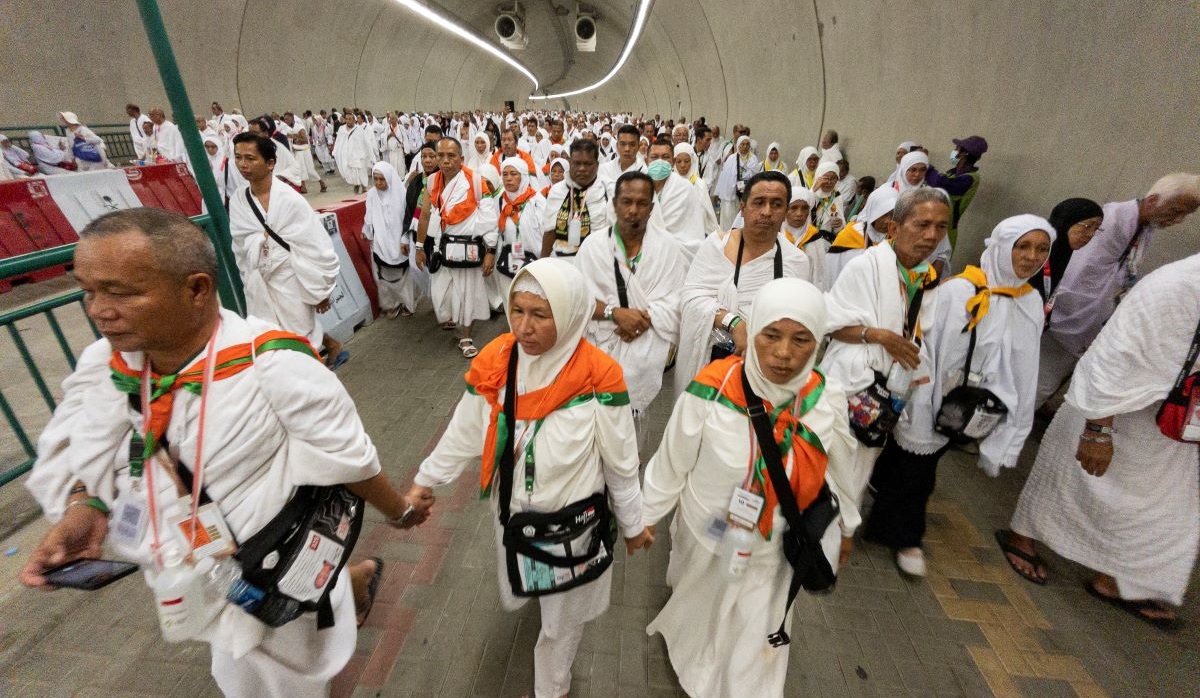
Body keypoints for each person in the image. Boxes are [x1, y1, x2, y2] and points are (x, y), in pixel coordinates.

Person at [20, 207, 425, 696]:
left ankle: (345, 589)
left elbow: (352, 463)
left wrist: (400, 513)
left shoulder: (273, 363)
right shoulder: (106, 362)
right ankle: (353, 585)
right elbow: (91, 446)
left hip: (270, 557)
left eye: (122, 292)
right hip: (191, 563)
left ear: (196, 289)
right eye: (89, 290)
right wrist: (86, 505)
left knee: (271, 675)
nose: (99, 309)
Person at [405, 259, 653, 698]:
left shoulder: (600, 376)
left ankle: (551, 689)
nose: (524, 327)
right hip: (515, 521)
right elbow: (465, 430)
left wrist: (633, 525)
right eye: (517, 310)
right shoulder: (498, 361)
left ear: (572, 312)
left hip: (576, 530)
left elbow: (621, 463)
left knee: (561, 627)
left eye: (540, 314)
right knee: (531, 591)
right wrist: (427, 479)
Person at [642, 277, 859, 698]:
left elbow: (841, 468)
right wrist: (646, 516)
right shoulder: (714, 387)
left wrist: (846, 525)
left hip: (774, 544)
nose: (783, 353)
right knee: (700, 606)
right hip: (707, 529)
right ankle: (694, 660)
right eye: (771, 335)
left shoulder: (826, 397)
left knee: (754, 637)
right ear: (752, 330)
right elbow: (673, 460)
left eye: (801, 340)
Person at [997, 252, 1200, 629]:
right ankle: (1023, 538)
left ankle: (1122, 580)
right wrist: (1098, 430)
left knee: (1172, 510)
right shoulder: (1176, 286)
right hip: (1110, 407)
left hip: (1173, 425)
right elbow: (1114, 355)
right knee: (1067, 480)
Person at [865, 215, 1054, 576]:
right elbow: (927, 346)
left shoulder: (1029, 302)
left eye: (1041, 249)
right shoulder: (958, 291)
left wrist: (1011, 418)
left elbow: (1025, 364)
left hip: (971, 405)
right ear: (1001, 247)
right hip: (930, 395)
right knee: (919, 469)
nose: (1031, 257)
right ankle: (903, 536)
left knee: (910, 463)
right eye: (1023, 246)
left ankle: (880, 487)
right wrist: (918, 397)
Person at [820, 187, 949, 562]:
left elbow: (920, 335)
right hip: (850, 382)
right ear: (894, 226)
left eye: (940, 227)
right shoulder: (866, 265)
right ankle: (817, 530)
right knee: (834, 459)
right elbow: (829, 323)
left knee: (861, 465)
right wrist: (878, 336)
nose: (930, 236)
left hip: (888, 391)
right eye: (922, 224)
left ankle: (839, 530)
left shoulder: (926, 278)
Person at [1036, 174, 1200, 410]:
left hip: (1085, 326)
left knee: (1045, 383)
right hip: (1064, 322)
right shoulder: (1112, 221)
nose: (1178, 220)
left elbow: (1119, 278)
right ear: (1153, 201)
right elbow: (1077, 278)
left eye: (1185, 215)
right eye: (1175, 211)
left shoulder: (1143, 227)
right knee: (1039, 381)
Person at [674, 171, 811, 397]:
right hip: (710, 365)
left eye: (776, 204)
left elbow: (797, 320)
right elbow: (690, 298)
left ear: (785, 211)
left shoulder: (796, 261)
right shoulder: (716, 246)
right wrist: (734, 323)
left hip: (765, 371)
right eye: (759, 202)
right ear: (743, 206)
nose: (767, 212)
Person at [578, 172, 686, 450]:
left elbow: (678, 302)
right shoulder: (593, 247)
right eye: (626, 201)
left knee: (631, 438)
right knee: (592, 435)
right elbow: (576, 299)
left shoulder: (668, 249)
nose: (633, 210)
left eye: (642, 203)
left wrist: (641, 319)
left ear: (652, 207)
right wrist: (615, 313)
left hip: (643, 356)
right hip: (598, 354)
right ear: (614, 204)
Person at [227, 133, 344, 367]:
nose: (243, 164)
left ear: (270, 163)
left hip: (290, 278)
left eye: (250, 158)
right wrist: (258, 242)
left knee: (301, 333)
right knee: (270, 337)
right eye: (238, 157)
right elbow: (240, 246)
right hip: (260, 281)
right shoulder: (239, 200)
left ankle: (316, 379)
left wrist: (321, 290)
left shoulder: (290, 200)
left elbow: (315, 246)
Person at [414, 137, 499, 358]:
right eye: (440, 155)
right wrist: (419, 246)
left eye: (451, 156)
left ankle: (466, 336)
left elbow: (490, 220)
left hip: (468, 248)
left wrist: (490, 251)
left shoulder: (477, 181)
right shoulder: (432, 182)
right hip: (443, 247)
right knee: (440, 293)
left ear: (461, 159)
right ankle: (453, 317)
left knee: (467, 293)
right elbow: (424, 215)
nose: (445, 160)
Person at [643, 138, 718, 261]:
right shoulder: (638, 186)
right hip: (644, 253)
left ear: (672, 162)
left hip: (678, 254)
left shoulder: (685, 189)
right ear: (646, 160)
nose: (660, 162)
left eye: (665, 157)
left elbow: (693, 230)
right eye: (655, 157)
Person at [365, 161, 422, 318]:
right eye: (375, 179)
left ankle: (408, 303)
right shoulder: (371, 195)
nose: (378, 183)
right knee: (384, 277)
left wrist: (405, 239)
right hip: (381, 242)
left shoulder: (402, 195)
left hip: (399, 240)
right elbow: (369, 216)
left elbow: (407, 219)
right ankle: (390, 304)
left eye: (382, 179)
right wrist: (367, 231)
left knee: (404, 276)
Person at [540, 139, 610, 260]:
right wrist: (541, 266)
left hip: (596, 263)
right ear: (570, 162)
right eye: (577, 163)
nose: (582, 168)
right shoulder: (557, 191)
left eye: (588, 164)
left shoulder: (608, 190)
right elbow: (549, 233)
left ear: (597, 165)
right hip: (561, 265)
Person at [1034, 198, 1104, 306]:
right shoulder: (1034, 248)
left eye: (1096, 229)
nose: (1091, 234)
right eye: (1088, 226)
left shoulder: (1063, 252)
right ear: (1067, 221)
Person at [825, 186, 899, 288]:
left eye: (893, 215)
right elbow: (831, 272)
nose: (888, 221)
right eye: (883, 214)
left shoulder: (899, 240)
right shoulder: (850, 235)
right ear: (873, 211)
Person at [925, 135, 987, 249]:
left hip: (945, 230)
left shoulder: (970, 179)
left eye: (957, 149)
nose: (954, 151)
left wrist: (924, 164)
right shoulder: (951, 173)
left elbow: (939, 184)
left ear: (964, 154)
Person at [495, 157, 546, 281]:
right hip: (507, 263)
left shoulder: (536, 202)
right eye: (505, 174)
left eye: (513, 174)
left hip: (534, 264)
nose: (508, 178)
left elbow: (546, 233)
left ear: (523, 176)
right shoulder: (500, 201)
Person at [714, 136, 761, 230]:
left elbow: (756, 176)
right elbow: (725, 177)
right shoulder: (731, 159)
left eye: (747, 144)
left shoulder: (753, 159)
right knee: (729, 217)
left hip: (746, 194)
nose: (745, 146)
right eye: (742, 144)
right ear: (738, 145)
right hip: (730, 195)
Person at [333, 113, 373, 194]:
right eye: (346, 119)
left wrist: (370, 153)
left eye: (350, 119)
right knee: (353, 172)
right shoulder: (341, 129)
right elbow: (338, 141)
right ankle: (356, 184)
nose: (348, 121)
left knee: (362, 172)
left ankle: (364, 187)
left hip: (360, 155)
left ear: (354, 120)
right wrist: (335, 151)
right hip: (349, 155)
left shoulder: (360, 129)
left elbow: (366, 142)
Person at [202, 133, 245, 206]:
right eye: (207, 146)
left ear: (218, 146)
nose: (210, 149)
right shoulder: (203, 162)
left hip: (225, 199)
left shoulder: (227, 162)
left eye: (213, 147)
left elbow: (234, 182)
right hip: (209, 198)